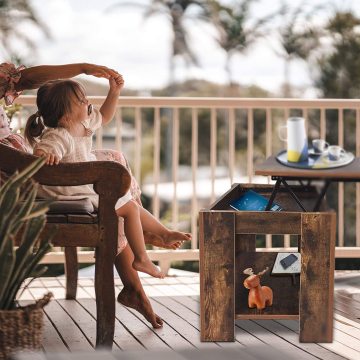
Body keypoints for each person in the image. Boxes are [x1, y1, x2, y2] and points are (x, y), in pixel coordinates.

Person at [0, 62, 187, 328]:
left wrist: (115, 91)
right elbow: (43, 151)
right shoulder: (60, 135)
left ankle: (157, 233)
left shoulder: (80, 124)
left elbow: (106, 115)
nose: (88, 103)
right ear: (66, 113)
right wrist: (46, 156)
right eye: (81, 100)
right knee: (126, 204)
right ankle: (142, 254)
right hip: (68, 188)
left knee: (125, 193)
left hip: (78, 183)